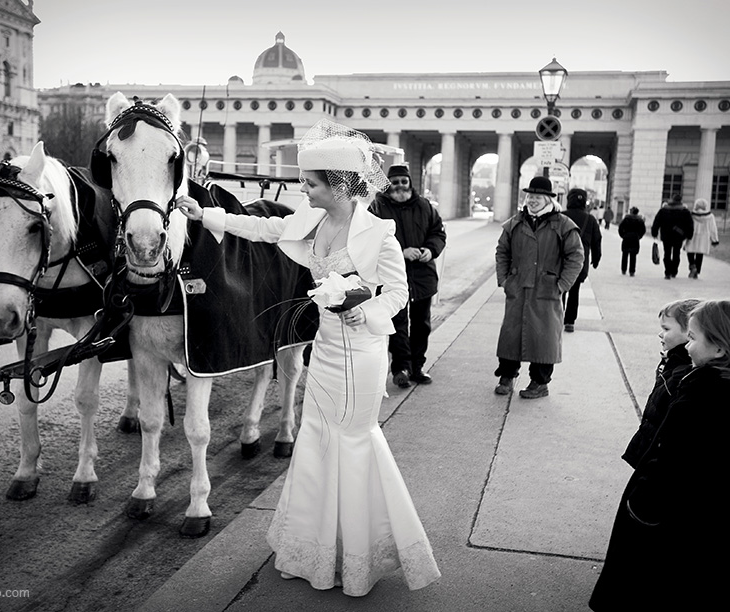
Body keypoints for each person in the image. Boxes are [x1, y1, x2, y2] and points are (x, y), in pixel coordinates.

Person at [176, 119, 440, 597]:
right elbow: (264, 227)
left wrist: (369, 312)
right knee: (318, 439)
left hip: (361, 354)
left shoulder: (379, 232)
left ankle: (358, 554)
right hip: (326, 349)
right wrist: (205, 215)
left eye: (312, 183)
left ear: (338, 184)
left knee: (353, 441)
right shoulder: (312, 219)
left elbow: (399, 293)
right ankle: (316, 547)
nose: (305, 190)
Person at [590, 298, 730, 611]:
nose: (689, 347)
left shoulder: (700, 393)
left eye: (693, 339)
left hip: (672, 532)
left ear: (720, 349)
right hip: (722, 534)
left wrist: (640, 507)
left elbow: (668, 461)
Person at [494, 176, 584, 398]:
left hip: (547, 290)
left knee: (544, 338)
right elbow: (502, 251)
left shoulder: (563, 225)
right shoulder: (515, 222)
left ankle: (539, 382)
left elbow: (576, 256)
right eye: (530, 196)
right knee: (511, 334)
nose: (532, 201)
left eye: (538, 197)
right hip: (518, 288)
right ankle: (507, 376)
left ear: (548, 199)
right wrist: (504, 280)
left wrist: (562, 284)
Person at [369, 164, 446, 388]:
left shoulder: (425, 206)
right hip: (393, 275)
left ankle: (417, 367)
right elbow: (372, 238)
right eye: (395, 182)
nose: (400, 186)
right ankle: (401, 368)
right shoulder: (377, 207)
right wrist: (401, 251)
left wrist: (430, 250)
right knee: (398, 323)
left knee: (422, 324)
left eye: (404, 181)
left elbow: (438, 232)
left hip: (423, 275)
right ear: (388, 184)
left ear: (410, 182)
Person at [620, 299, 699, 469]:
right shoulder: (673, 360)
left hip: (659, 454)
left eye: (666, 329)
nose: (660, 334)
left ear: (690, 333)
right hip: (651, 443)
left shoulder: (683, 371)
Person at [561, 188, 601, 332]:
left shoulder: (561, 216)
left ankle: (557, 317)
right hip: (580, 261)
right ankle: (570, 321)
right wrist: (596, 258)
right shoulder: (590, 219)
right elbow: (597, 240)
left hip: (561, 260)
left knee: (560, 289)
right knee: (575, 290)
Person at [650, 193, 693, 279]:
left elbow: (656, 222)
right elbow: (689, 224)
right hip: (679, 235)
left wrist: (654, 232)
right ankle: (674, 271)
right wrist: (689, 235)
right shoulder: (685, 211)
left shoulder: (663, 210)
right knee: (676, 253)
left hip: (666, 235)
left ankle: (667, 272)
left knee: (667, 253)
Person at [683, 197, 719, 279]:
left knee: (690, 252)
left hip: (693, 235)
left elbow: (687, 225)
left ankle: (692, 266)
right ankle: (697, 270)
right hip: (704, 236)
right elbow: (713, 229)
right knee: (700, 254)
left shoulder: (691, 215)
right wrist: (714, 240)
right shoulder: (710, 216)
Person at [617, 206, 646, 276]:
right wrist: (639, 236)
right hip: (635, 238)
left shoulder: (626, 219)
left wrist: (623, 235)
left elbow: (620, 228)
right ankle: (632, 271)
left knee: (625, 254)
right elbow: (643, 230)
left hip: (626, 238)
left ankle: (623, 269)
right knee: (633, 255)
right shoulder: (640, 220)